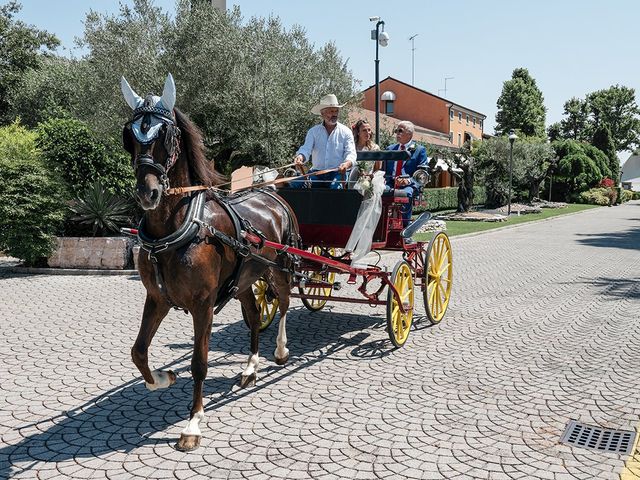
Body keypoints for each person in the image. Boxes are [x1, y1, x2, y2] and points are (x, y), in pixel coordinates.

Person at [291, 94, 356, 189]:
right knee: (294, 184)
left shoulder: (346, 132)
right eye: (331, 111)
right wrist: (300, 157)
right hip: (316, 174)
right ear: (322, 113)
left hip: (337, 174)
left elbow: (351, 154)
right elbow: (306, 149)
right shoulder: (313, 131)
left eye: (336, 111)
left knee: (335, 189)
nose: (334, 114)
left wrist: (346, 164)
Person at [383, 121, 428, 226]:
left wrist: (408, 181)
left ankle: (405, 229)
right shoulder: (390, 149)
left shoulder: (419, 150)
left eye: (400, 131)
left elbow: (422, 173)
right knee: (376, 192)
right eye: (396, 131)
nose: (397, 134)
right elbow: (383, 170)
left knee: (405, 194)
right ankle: (382, 227)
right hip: (390, 183)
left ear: (410, 134)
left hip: (409, 185)